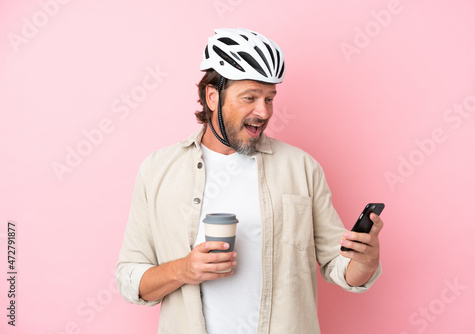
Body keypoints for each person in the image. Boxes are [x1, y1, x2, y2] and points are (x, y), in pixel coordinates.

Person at [116, 28, 383, 334]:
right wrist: (184, 270)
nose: (264, 111)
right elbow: (130, 278)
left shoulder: (301, 168)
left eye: (270, 98)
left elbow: (339, 266)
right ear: (213, 97)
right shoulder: (158, 170)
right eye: (250, 98)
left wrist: (365, 261)